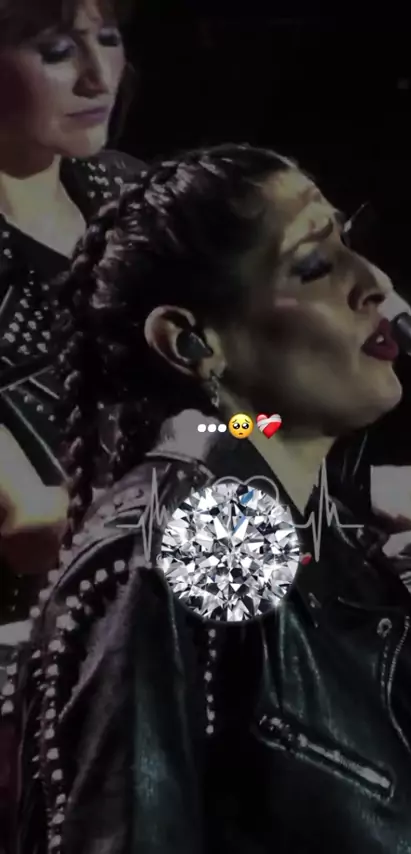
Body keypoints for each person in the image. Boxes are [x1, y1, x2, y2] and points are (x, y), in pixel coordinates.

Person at [8, 143, 411, 853]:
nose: (375, 283)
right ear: (191, 344)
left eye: (349, 243)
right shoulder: (203, 537)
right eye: (315, 265)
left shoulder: (303, 516)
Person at [0, 0, 145, 624]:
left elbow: (236, 421)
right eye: (57, 52)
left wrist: (325, 483)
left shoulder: (132, 198)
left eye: (107, 39)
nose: (99, 77)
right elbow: (27, 523)